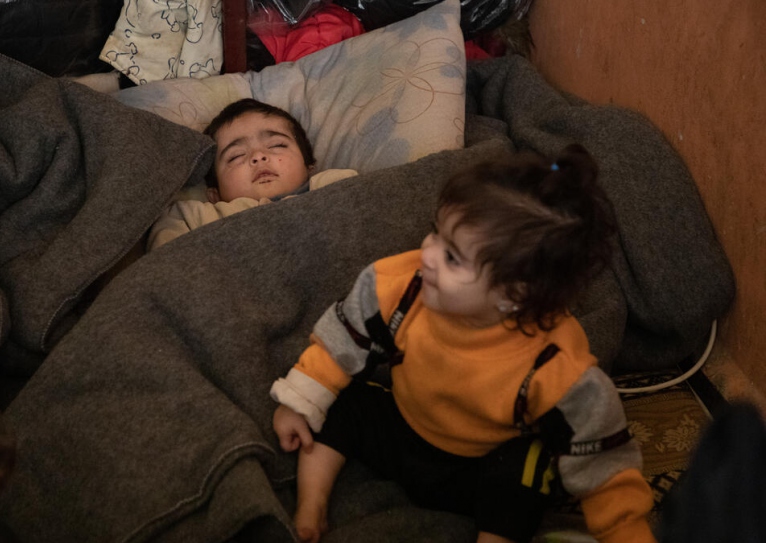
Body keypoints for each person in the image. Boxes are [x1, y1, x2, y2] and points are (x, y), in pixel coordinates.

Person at [270, 144, 656, 543]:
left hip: (483, 466)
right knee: (343, 401)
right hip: (403, 431)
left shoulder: (555, 366)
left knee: (528, 469)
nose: (428, 253)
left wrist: (626, 531)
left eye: (453, 257)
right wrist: (300, 399)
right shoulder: (398, 286)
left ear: (514, 295)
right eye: (436, 232)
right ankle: (310, 509)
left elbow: (601, 459)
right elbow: (342, 339)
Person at [146, 98, 356, 250]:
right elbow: (166, 270)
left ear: (309, 167)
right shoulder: (194, 217)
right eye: (236, 156)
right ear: (214, 194)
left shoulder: (334, 186)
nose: (258, 156)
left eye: (276, 145)